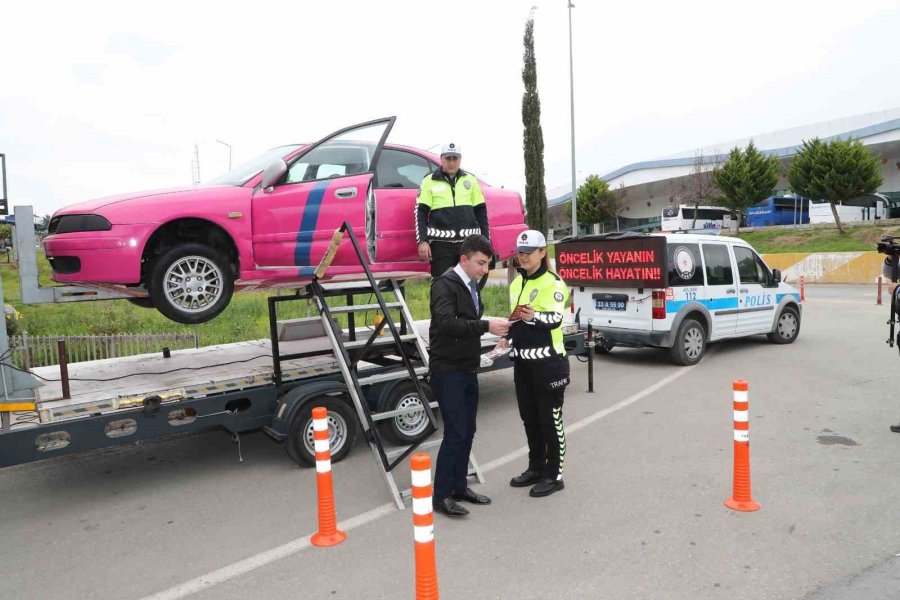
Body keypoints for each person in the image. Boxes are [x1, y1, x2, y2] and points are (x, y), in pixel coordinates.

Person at [429, 234, 509, 517]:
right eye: (481, 263)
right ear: (464, 259)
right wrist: (486, 325)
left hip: (466, 367)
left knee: (468, 431)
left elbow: (468, 324)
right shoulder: (443, 285)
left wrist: (492, 340)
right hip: (447, 370)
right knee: (455, 433)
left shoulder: (470, 284)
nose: (485, 270)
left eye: (487, 264)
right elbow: (448, 324)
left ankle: (459, 486)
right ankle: (440, 496)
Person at [497, 230, 571, 497]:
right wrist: (506, 336)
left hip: (549, 363)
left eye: (529, 252)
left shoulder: (554, 283)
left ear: (543, 252)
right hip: (523, 363)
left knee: (550, 421)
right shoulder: (516, 283)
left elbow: (555, 320)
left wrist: (534, 316)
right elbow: (516, 320)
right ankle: (536, 467)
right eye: (520, 252)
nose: (523, 256)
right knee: (530, 419)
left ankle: (555, 475)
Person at [415, 142, 490, 279]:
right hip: (441, 247)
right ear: (441, 158)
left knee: (469, 286)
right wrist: (423, 241)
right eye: (448, 158)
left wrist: (486, 243)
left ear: (460, 159)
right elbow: (420, 213)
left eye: (455, 158)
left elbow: (481, 213)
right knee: (442, 286)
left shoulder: (470, 180)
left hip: (468, 245)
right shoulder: (429, 181)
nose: (451, 162)